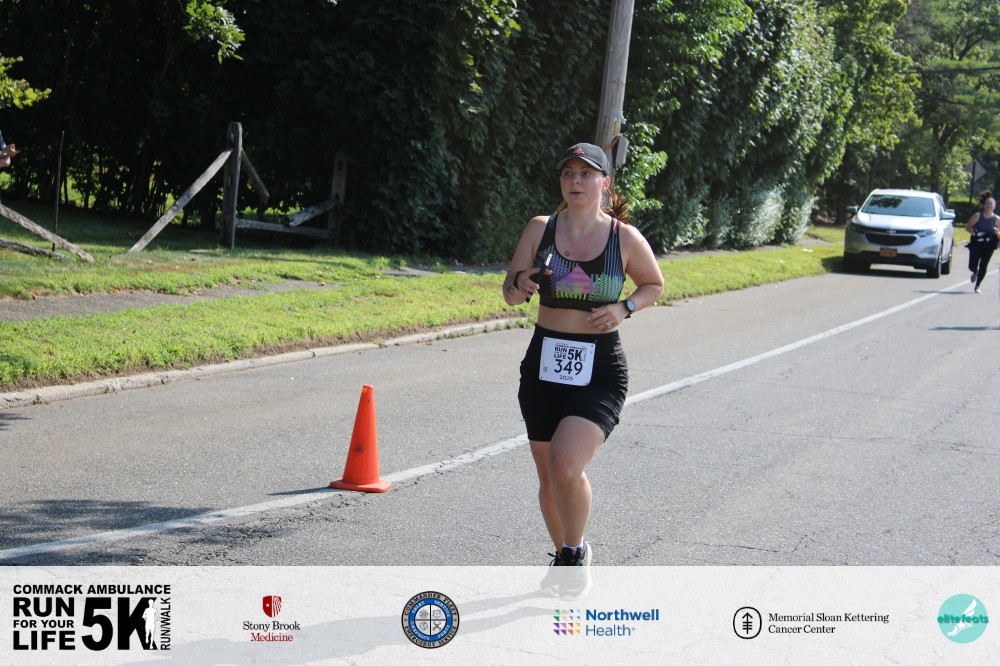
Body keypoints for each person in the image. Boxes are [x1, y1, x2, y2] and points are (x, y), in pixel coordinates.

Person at [502, 142, 664, 597]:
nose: (575, 181)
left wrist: (624, 307)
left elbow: (654, 284)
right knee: (548, 477)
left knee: (565, 463)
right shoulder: (540, 229)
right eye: (568, 174)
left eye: (586, 174)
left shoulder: (623, 238)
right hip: (544, 363)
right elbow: (510, 293)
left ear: (604, 183)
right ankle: (564, 559)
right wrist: (522, 281)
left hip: (600, 369)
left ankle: (575, 553)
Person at [965, 190, 998, 293]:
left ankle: (977, 286)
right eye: (987, 203)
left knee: (984, 265)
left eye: (991, 204)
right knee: (972, 265)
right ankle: (975, 271)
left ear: (994, 206)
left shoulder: (997, 219)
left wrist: (997, 232)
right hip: (976, 243)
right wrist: (972, 231)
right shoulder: (977, 216)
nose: (989, 205)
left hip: (989, 244)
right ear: (984, 205)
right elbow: (967, 227)